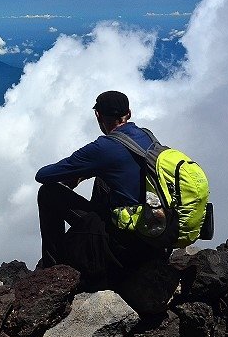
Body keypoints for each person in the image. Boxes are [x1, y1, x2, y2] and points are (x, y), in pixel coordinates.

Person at [34, 90, 167, 284]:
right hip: (153, 234)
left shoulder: (103, 148)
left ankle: (53, 270)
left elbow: (43, 175)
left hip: (125, 246)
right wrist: (88, 173)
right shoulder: (148, 136)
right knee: (103, 178)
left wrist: (78, 172)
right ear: (128, 113)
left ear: (98, 115)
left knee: (48, 193)